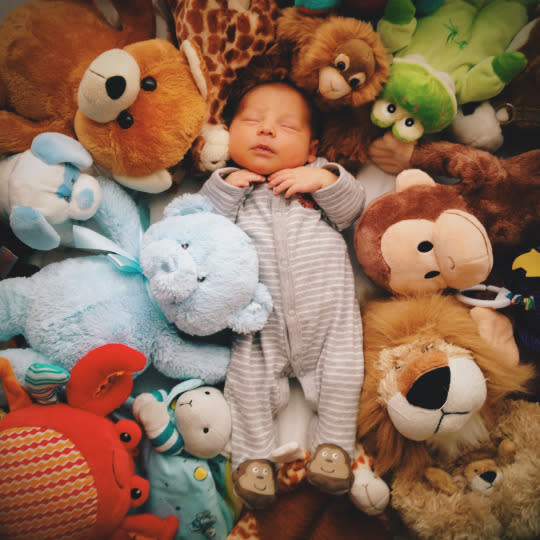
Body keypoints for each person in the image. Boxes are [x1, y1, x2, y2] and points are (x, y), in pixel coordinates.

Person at [199, 81, 365, 508]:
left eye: (285, 126)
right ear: (228, 133)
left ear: (311, 149)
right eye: (252, 121)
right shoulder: (228, 186)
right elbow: (199, 232)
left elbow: (353, 211)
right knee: (246, 382)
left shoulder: (319, 183)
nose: (266, 130)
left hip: (329, 322)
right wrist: (226, 187)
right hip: (258, 325)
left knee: (345, 376)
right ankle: (253, 461)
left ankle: (334, 450)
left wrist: (325, 178)